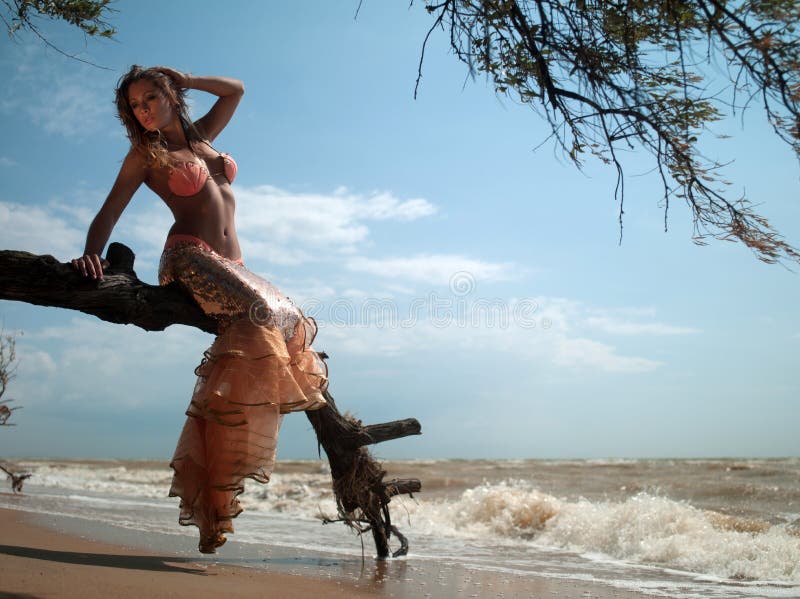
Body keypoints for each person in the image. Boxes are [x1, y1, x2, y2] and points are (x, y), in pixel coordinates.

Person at [72, 65, 328, 554]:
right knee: (257, 313)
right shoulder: (145, 155)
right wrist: (93, 252)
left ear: (171, 93)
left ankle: (221, 497)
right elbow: (109, 211)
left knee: (292, 320)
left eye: (151, 96)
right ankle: (216, 492)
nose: (143, 108)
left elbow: (238, 89)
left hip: (233, 263)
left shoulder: (201, 134)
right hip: (188, 257)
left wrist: (186, 76)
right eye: (135, 105)